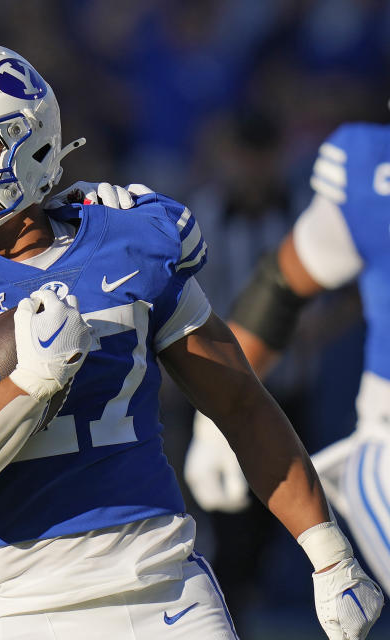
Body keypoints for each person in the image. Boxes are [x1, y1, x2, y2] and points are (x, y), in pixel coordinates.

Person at [0, 42, 383, 639]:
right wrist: (31, 384)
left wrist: (328, 552)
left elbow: (239, 401)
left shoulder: (128, 241)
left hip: (168, 591)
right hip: (29, 607)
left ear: (33, 144)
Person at [184, 120, 390, 593]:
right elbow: (279, 287)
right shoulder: (369, 169)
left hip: (298, 394)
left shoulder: (357, 169)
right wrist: (218, 412)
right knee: (235, 546)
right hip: (276, 399)